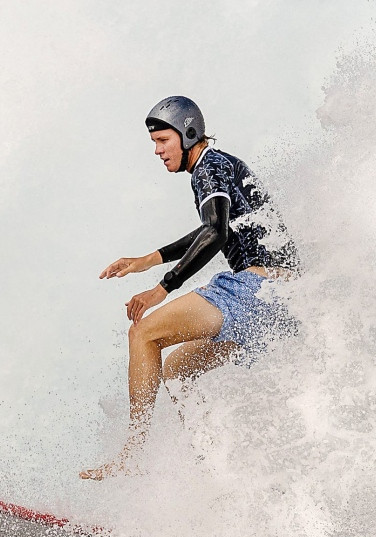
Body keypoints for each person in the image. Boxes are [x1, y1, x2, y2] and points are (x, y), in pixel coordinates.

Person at [80, 96, 300, 480]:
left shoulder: (209, 166)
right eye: (154, 143)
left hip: (257, 288)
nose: (157, 150)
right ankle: (216, 469)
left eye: (163, 140)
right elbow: (214, 228)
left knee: (144, 333)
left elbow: (214, 232)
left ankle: (131, 455)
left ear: (189, 133)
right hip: (283, 303)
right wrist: (148, 259)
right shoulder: (220, 166)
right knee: (179, 371)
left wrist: (161, 289)